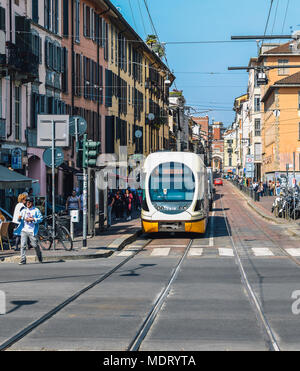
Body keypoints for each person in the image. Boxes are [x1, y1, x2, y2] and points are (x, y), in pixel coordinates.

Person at [15, 197, 43, 265]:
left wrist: (33, 219)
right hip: (24, 230)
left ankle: (39, 255)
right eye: (27, 202)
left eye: (29, 202)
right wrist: (19, 218)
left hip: (32, 231)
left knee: (35, 245)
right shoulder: (24, 210)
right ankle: (23, 259)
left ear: (32, 203)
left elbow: (41, 219)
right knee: (23, 245)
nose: (28, 203)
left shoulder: (36, 210)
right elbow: (19, 219)